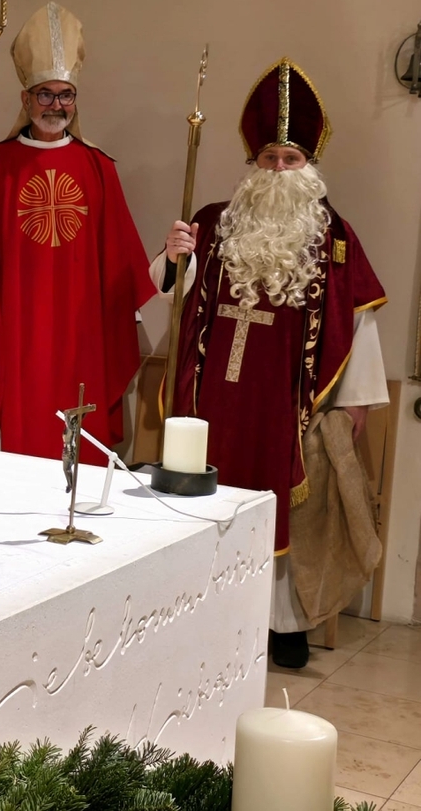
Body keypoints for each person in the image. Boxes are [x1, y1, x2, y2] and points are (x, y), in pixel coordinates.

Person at [155, 57, 387, 668]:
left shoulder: (334, 236)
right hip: (212, 400)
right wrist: (175, 256)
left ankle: (282, 624)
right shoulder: (213, 222)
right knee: (205, 500)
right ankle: (202, 611)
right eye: (268, 158)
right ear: (252, 163)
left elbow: (359, 321)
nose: (279, 169)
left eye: (290, 158)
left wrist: (355, 401)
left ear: (309, 165)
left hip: (286, 403)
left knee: (287, 506)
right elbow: (169, 291)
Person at [0, 1, 154, 462]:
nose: (56, 105)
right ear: (25, 99)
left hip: (81, 333)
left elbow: (120, 263)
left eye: (65, 95)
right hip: (14, 329)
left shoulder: (98, 168)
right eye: (46, 95)